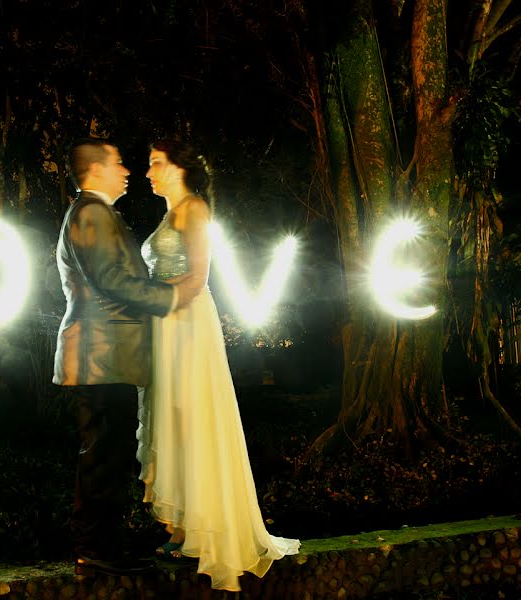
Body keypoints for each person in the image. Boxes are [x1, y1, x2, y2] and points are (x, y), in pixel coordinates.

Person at [136, 139, 301, 592]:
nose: (147, 171)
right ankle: (182, 526)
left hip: (186, 325)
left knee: (193, 415)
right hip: (165, 325)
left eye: (155, 163)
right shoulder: (169, 213)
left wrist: (152, 302)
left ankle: (205, 529)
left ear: (178, 167)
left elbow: (198, 277)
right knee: (172, 417)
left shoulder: (194, 210)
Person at [53, 138, 201, 577]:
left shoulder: (94, 212)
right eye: (118, 162)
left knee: (109, 454)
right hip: (100, 355)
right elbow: (111, 280)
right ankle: (94, 549)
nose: (127, 170)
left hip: (108, 357)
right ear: (95, 169)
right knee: (102, 456)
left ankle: (103, 545)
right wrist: (172, 295)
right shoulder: (92, 213)